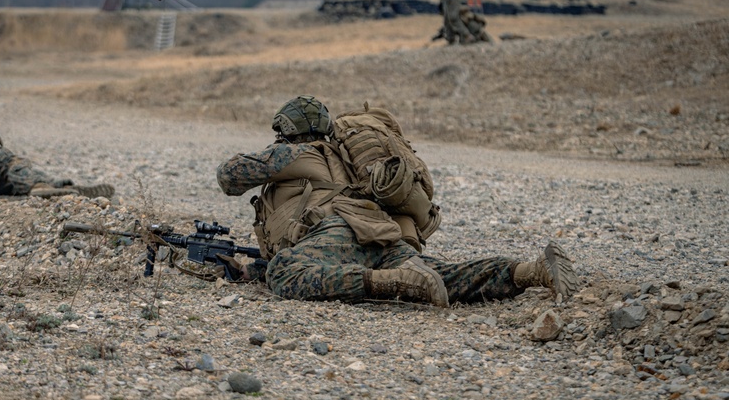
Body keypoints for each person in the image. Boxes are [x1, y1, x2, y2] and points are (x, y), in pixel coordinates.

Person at [216, 96, 577, 306]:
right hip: (381, 233)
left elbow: (228, 176)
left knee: (284, 273)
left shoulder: (295, 153)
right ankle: (530, 271)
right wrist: (250, 269)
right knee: (443, 276)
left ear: (286, 129)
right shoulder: (348, 160)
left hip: (335, 234)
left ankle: (392, 282)